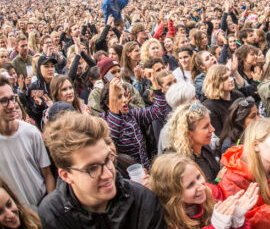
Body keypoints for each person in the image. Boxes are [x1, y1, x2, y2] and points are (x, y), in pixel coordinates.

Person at [38, 111, 165, 228]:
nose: (108, 174)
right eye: (92, 169)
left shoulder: (143, 201)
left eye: (107, 159)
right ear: (66, 175)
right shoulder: (53, 214)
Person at [150, 153, 257, 229]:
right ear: (172, 194)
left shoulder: (212, 192)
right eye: (190, 185)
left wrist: (236, 219)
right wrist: (216, 226)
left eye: (198, 176)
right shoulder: (163, 219)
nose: (201, 186)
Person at [0, 77, 55, 209]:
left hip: (43, 206)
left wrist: (50, 210)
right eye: (3, 101)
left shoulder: (31, 132)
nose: (12, 105)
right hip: (17, 216)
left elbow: (48, 175)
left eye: (12, 98)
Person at [100, 77, 168, 170]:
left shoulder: (130, 114)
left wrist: (155, 84)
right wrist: (114, 108)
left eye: (124, 95)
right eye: (119, 97)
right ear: (109, 103)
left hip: (145, 171)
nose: (125, 100)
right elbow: (112, 139)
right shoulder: (104, 124)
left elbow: (157, 111)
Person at [167, 101, 220, 183]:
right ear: (188, 133)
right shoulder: (178, 163)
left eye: (210, 124)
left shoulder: (204, 147)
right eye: (206, 127)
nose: (212, 129)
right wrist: (218, 180)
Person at [202, 65, 244, 136]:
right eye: (225, 78)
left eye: (230, 75)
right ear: (216, 82)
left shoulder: (238, 95)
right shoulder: (209, 106)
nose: (231, 79)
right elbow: (219, 135)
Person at [157, 82, 196, 156]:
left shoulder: (196, 119)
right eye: (192, 99)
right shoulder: (169, 131)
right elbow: (173, 162)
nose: (197, 102)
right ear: (179, 106)